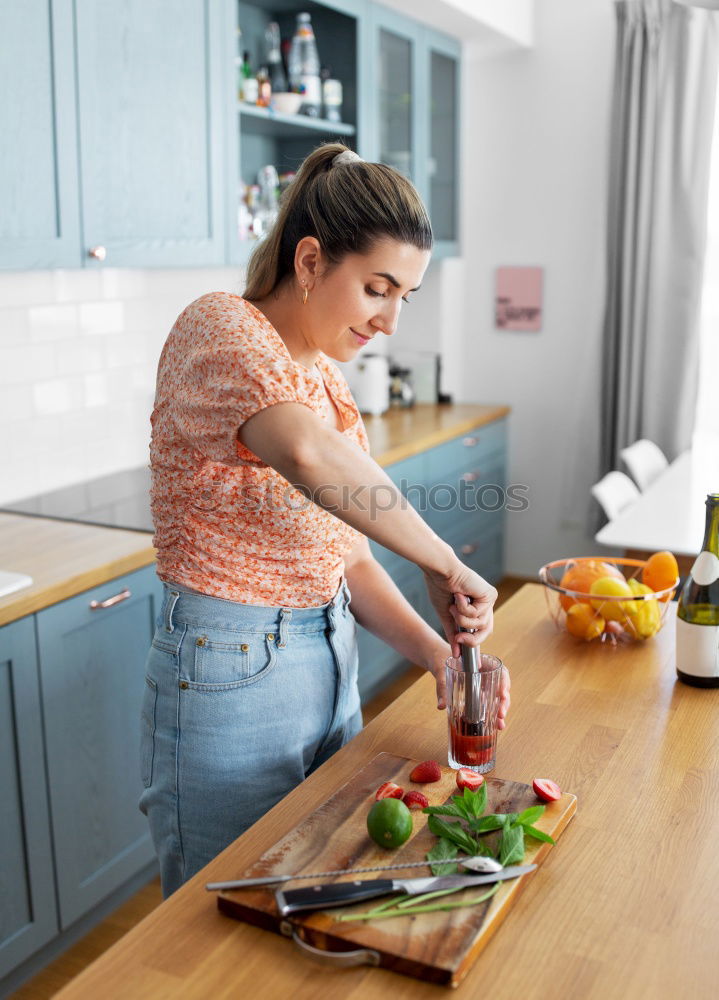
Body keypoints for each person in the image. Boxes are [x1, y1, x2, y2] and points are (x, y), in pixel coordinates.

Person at [140, 142, 510, 896]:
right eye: (378, 288)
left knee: (310, 889)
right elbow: (305, 454)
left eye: (404, 295)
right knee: (223, 914)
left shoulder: (330, 388)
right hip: (228, 670)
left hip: (326, 661)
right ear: (309, 262)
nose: (390, 320)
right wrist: (444, 561)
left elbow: (347, 560)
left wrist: (437, 654)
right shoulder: (221, 328)